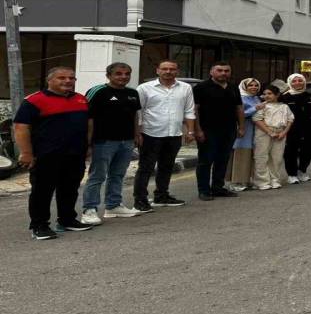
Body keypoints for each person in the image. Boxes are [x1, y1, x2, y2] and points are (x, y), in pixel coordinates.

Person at [14, 67, 93, 240]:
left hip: (75, 154)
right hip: (46, 155)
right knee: (42, 191)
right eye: (62, 78)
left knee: (70, 189)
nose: (68, 81)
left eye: (71, 78)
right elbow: (21, 128)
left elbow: (89, 124)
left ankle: (67, 220)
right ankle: (39, 225)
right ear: (49, 80)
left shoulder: (81, 99)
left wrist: (87, 146)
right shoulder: (34, 101)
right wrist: (26, 153)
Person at [80, 63, 143, 226]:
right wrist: (87, 143)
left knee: (118, 174)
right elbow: (87, 117)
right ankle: (89, 209)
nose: (123, 77)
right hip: (103, 141)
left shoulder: (132, 93)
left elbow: (134, 115)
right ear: (109, 75)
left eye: (127, 74)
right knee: (97, 176)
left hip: (126, 141)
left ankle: (113, 206)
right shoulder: (98, 91)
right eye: (118, 74)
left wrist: (136, 134)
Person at [135, 60, 195, 212]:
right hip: (150, 134)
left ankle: (161, 195)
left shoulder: (185, 88)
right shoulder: (144, 88)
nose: (168, 72)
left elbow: (189, 110)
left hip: (174, 134)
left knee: (167, 166)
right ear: (158, 70)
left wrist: (190, 131)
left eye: (172, 69)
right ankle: (140, 200)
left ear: (177, 71)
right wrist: (138, 133)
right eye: (165, 69)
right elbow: (138, 112)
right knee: (146, 168)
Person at [193, 62, 244, 201]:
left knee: (223, 160)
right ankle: (204, 190)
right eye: (219, 70)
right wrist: (197, 129)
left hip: (229, 130)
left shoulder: (233, 87)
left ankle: (218, 188)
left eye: (226, 71)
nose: (223, 73)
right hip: (207, 130)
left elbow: (239, 108)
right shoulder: (201, 87)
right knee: (205, 160)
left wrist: (241, 127)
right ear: (211, 72)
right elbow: (195, 109)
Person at [252, 85, 295, 190]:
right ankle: (262, 181)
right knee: (261, 156)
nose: (267, 96)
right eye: (265, 94)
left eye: (270, 93)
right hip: (264, 133)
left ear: (277, 95)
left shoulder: (284, 106)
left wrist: (284, 132)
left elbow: (290, 120)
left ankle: (275, 180)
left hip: (280, 133)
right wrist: (270, 132)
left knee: (277, 157)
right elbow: (257, 119)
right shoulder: (263, 106)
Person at [280, 73, 311, 184]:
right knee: (291, 151)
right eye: (294, 81)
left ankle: (302, 171)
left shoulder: (310, 96)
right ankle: (291, 174)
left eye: (300, 80)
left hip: (309, 128)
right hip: (291, 128)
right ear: (290, 83)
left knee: (307, 150)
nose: (297, 83)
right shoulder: (284, 97)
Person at [227, 78, 261, 192]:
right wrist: (254, 108)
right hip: (243, 129)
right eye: (250, 85)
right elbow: (238, 114)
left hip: (255, 130)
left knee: (250, 156)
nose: (254, 87)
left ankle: (246, 180)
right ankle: (236, 181)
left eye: (256, 85)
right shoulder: (240, 98)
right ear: (244, 87)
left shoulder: (256, 98)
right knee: (241, 155)